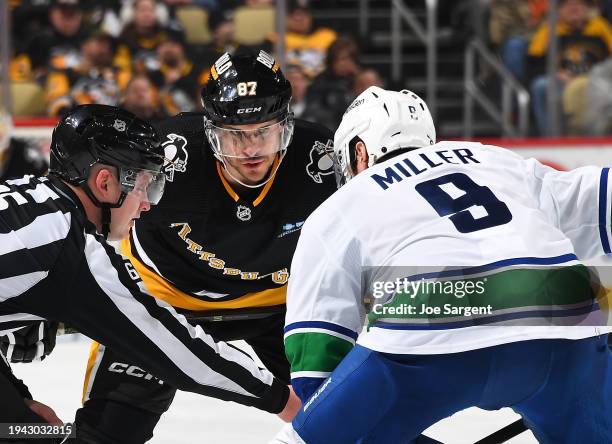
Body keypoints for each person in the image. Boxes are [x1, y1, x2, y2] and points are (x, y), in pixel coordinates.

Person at [277, 86, 612, 443]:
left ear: (359, 151)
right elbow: (599, 200)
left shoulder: (337, 208)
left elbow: (316, 365)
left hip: (433, 317)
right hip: (566, 310)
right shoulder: (495, 159)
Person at [74, 51, 337, 443]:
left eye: (263, 131)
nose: (251, 150)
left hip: (281, 303)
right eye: (236, 134)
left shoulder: (323, 159)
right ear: (211, 129)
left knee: (347, 418)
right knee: (106, 433)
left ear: (286, 125)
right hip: (163, 299)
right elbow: (90, 217)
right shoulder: (165, 155)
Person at [0, 104, 298, 439]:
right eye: (146, 185)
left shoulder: (24, 196)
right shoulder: (68, 247)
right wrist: (281, 399)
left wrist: (18, 398)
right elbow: (171, 347)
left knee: (26, 431)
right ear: (105, 182)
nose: (147, 204)